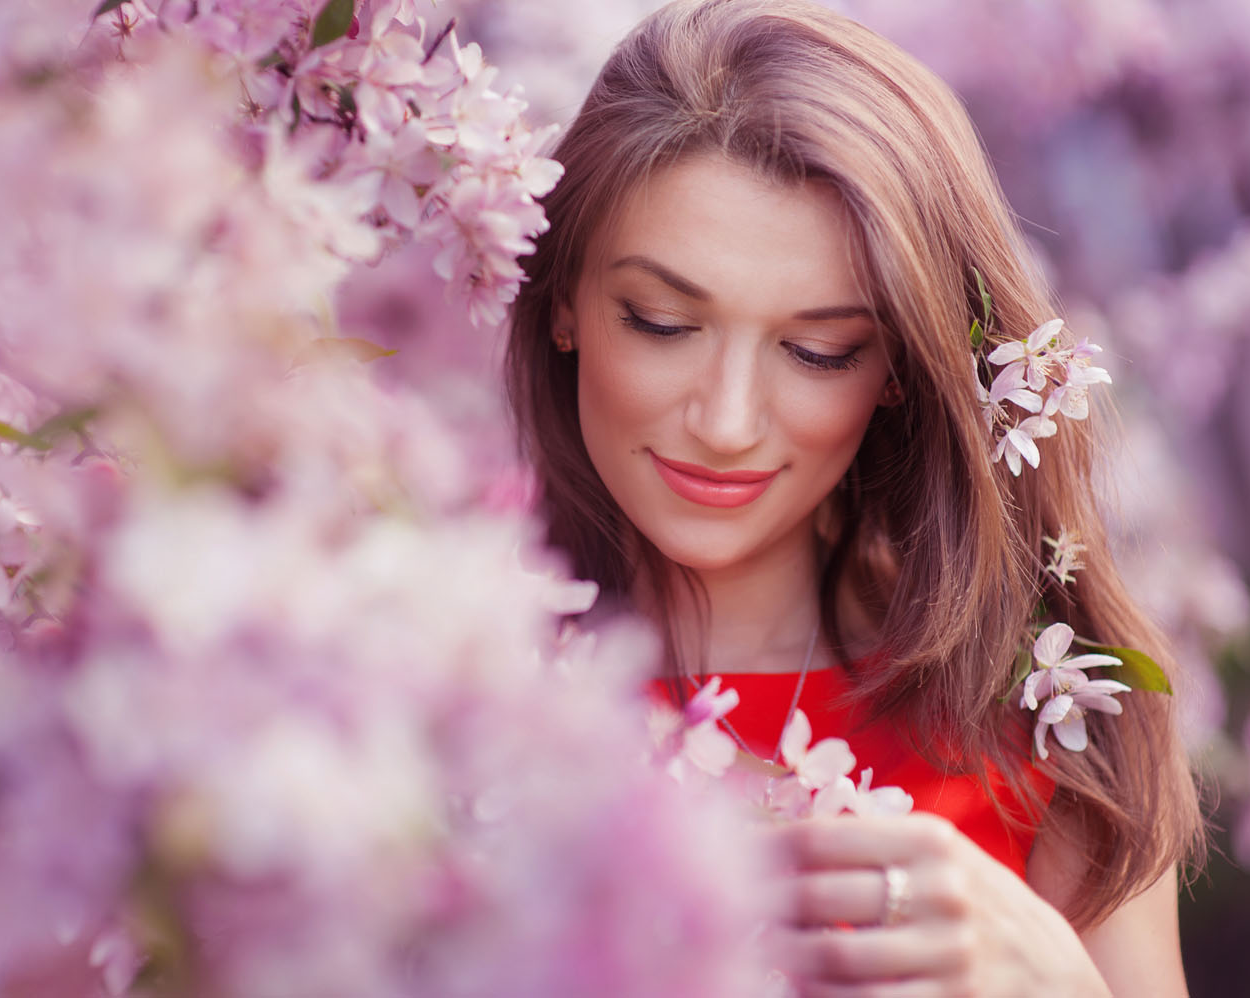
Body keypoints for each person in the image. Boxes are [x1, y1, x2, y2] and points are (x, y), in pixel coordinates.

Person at [505, 0, 1205, 993]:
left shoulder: (1055, 718)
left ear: (897, 367)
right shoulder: (455, 664)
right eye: (662, 321)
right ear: (566, 300)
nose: (728, 419)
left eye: (817, 349)